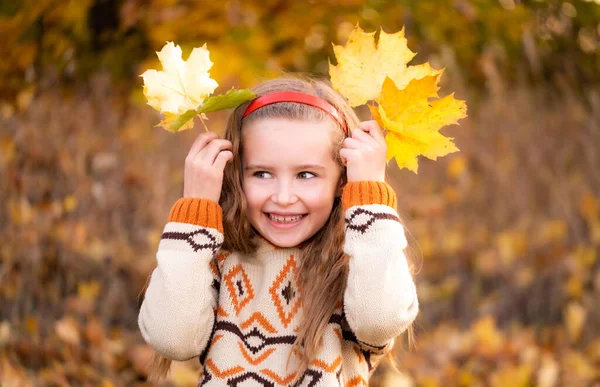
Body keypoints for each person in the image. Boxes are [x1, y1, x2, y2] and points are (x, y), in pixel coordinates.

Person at [138, 76, 419, 386]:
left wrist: (370, 198)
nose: (284, 197)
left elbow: (380, 322)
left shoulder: (361, 258)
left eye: (306, 174)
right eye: (262, 173)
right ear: (236, 175)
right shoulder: (213, 255)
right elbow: (173, 339)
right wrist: (194, 211)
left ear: (343, 180)